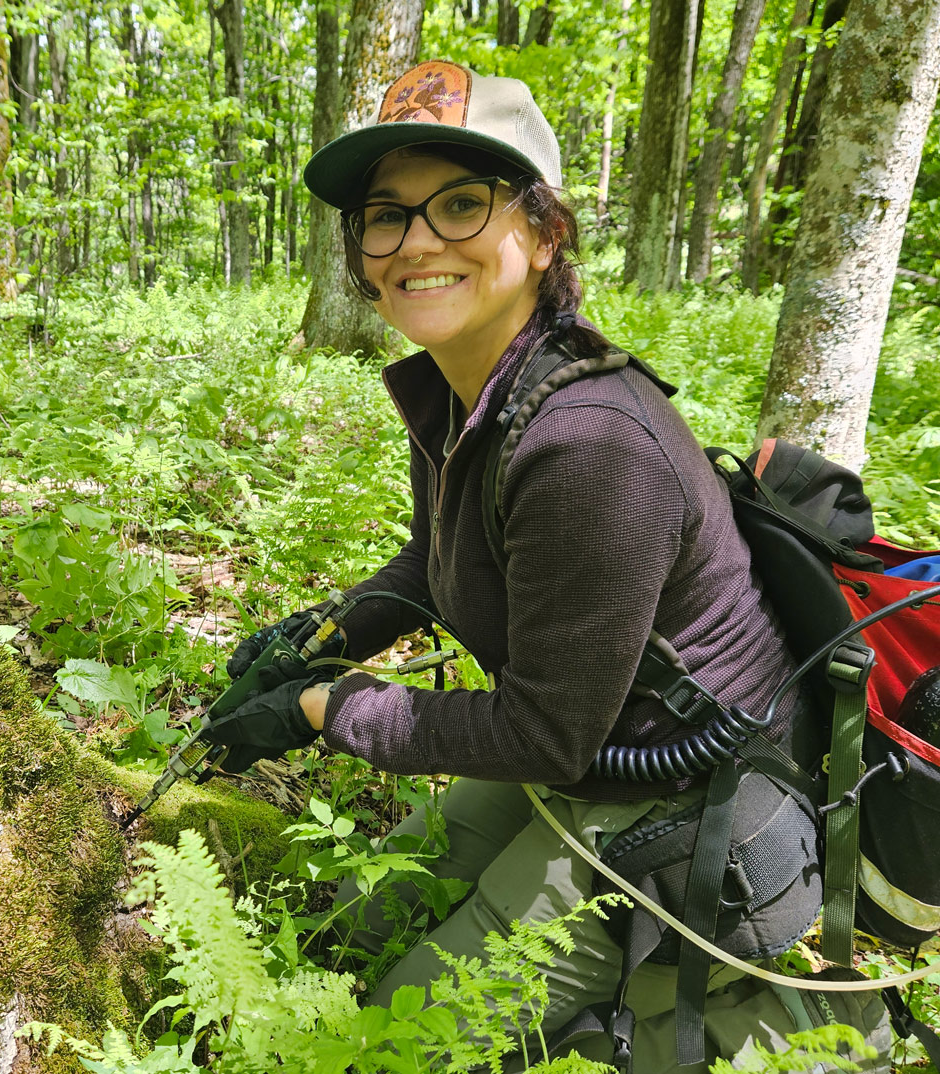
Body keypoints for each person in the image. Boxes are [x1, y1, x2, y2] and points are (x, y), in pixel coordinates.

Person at [203, 60, 890, 1071]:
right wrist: (330, 634)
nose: (416, 241)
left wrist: (321, 709)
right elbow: (443, 562)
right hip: (586, 749)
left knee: (392, 1040)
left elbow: (543, 731)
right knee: (358, 920)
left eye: (461, 204)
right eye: (385, 217)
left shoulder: (587, 441)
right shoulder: (460, 388)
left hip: (683, 797)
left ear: (543, 230)